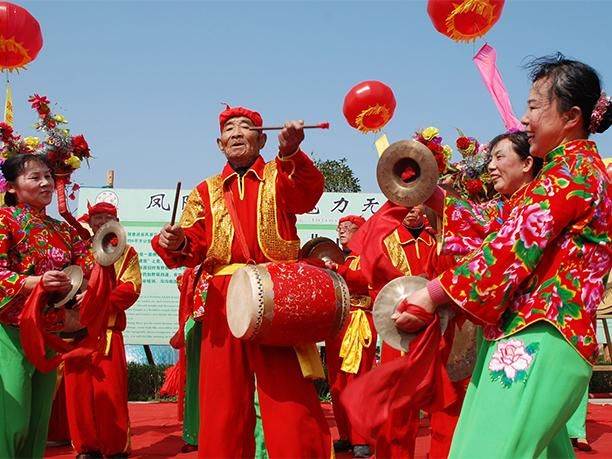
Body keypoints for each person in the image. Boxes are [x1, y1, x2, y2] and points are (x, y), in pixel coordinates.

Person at [394, 55, 612, 458]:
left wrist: (434, 293)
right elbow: (496, 224)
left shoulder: (573, 174)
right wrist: (433, 192)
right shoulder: (562, 175)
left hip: (540, 334)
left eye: (533, 106)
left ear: (571, 116)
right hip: (533, 334)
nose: (524, 119)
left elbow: (510, 246)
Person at [151, 105, 332, 458]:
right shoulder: (206, 190)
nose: (236, 133)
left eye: (245, 127)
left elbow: (308, 194)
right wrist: (175, 241)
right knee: (222, 401)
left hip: (276, 291)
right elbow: (192, 243)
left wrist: (292, 151)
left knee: (288, 396)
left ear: (262, 139)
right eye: (229, 128)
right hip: (223, 298)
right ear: (219, 144)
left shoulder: (280, 176)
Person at [0, 153, 94, 458]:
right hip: (10, 331)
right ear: (12, 187)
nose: (45, 183)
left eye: (48, 177)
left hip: (49, 333)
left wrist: (87, 287)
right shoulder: (4, 220)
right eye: (34, 177)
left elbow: (87, 263)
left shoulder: (63, 229)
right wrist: (33, 283)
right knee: (12, 420)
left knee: (38, 420)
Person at [63, 202, 142, 459]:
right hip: (77, 333)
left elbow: (131, 288)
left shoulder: (126, 252)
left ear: (116, 221)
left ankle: (115, 448)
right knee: (79, 396)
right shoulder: (79, 249)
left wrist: (98, 301)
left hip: (107, 333)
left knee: (110, 394)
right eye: (96, 218)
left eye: (106, 217)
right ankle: (87, 447)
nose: (100, 222)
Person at [324, 215, 374, 458]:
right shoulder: (344, 259)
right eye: (339, 228)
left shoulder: (367, 257)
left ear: (360, 231)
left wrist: (339, 270)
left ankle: (362, 438)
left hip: (359, 322)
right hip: (339, 324)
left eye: (346, 228)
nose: (341, 231)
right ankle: (345, 434)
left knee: (357, 381)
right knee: (337, 382)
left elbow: (367, 281)